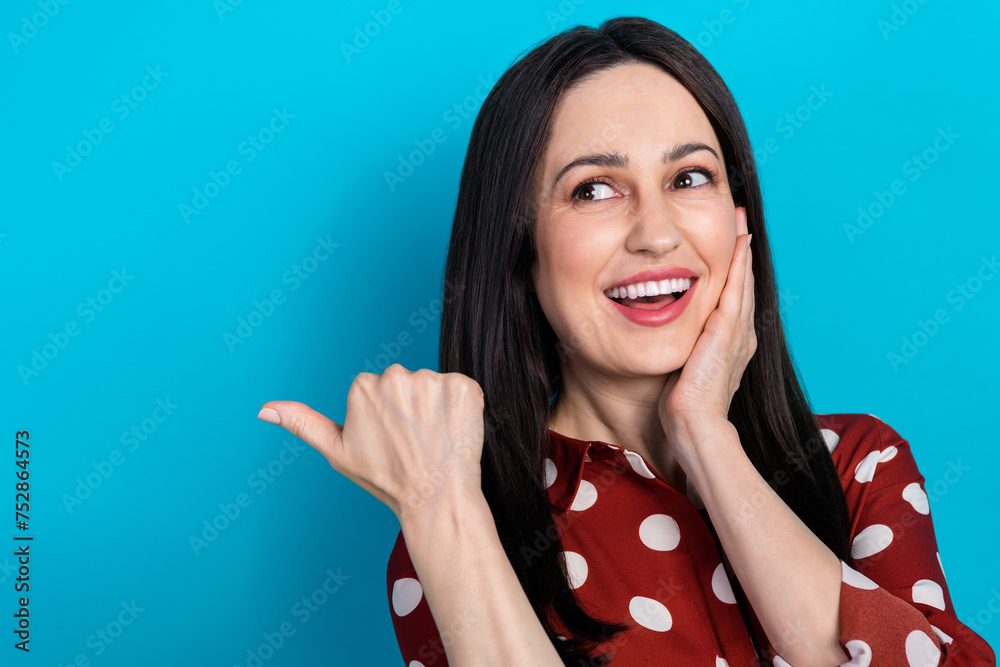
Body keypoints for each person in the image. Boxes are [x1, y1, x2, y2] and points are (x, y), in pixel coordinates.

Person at [255, 16, 996, 667]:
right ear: (522, 250)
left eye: (690, 177)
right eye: (594, 189)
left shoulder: (859, 467)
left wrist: (705, 434)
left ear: (739, 224)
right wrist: (440, 510)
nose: (656, 232)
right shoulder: (464, 524)